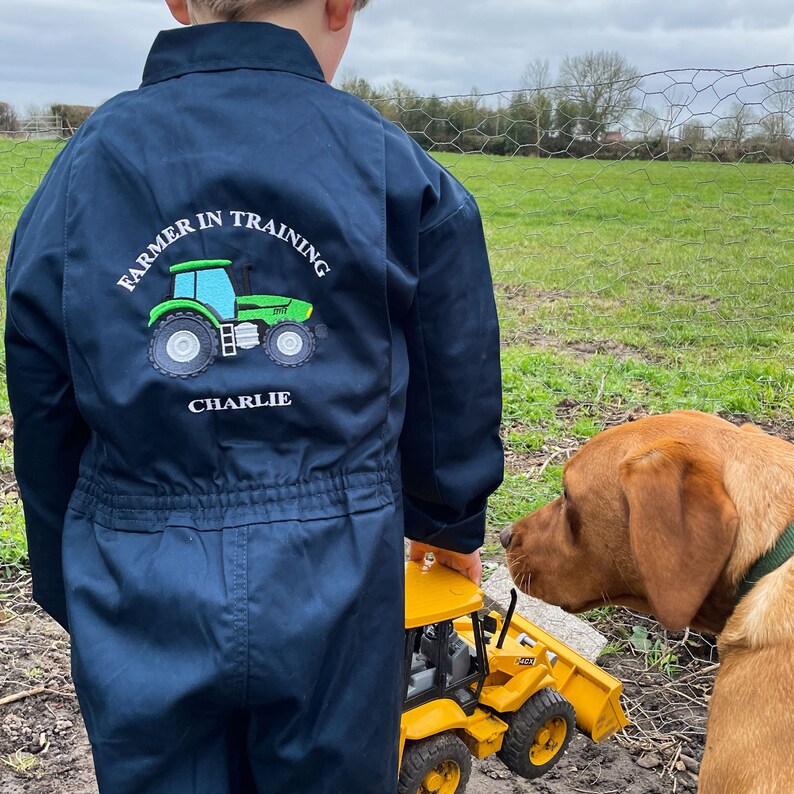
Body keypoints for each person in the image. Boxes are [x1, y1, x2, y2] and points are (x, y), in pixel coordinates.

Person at [4, 0, 504, 791]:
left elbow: (40, 385)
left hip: (139, 560)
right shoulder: (390, 163)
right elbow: (455, 371)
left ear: (177, 1)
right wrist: (448, 519)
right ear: (344, 3)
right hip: (336, 562)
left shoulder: (85, 164)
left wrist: (67, 563)